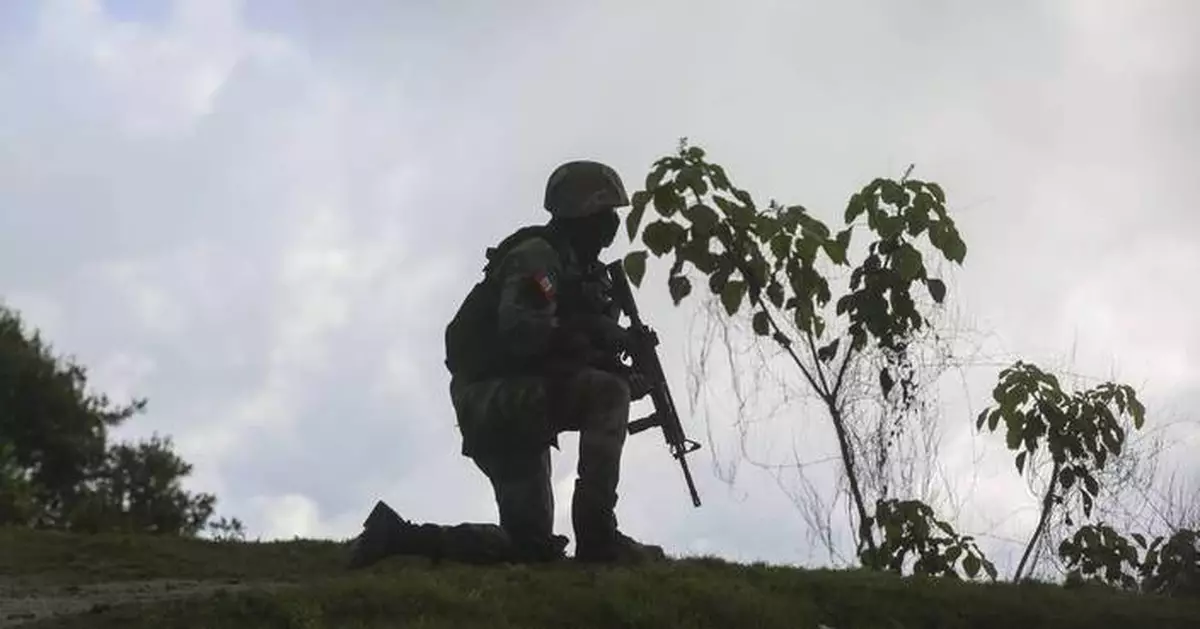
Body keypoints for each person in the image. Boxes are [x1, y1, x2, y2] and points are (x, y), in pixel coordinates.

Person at [347, 160, 665, 568]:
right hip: (493, 397)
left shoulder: (581, 274)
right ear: (583, 214)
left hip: (512, 403)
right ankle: (598, 538)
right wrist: (599, 336)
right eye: (605, 215)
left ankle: (397, 537)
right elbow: (524, 337)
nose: (610, 228)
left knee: (527, 547)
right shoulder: (536, 258)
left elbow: (571, 357)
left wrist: (617, 362)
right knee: (608, 394)